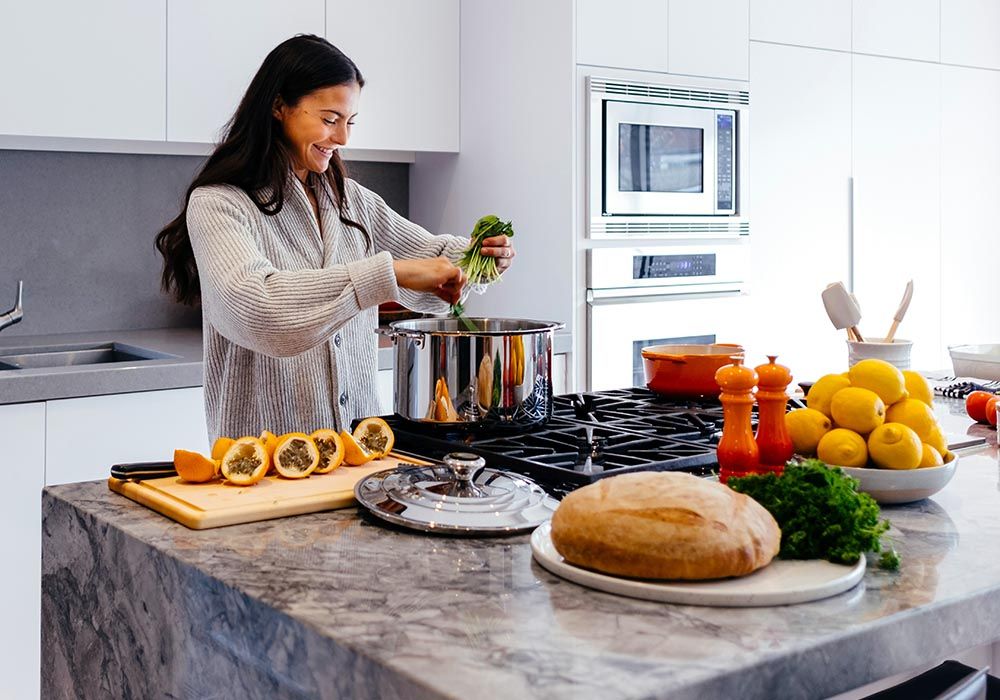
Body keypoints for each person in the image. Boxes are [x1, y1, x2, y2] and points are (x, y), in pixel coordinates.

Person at [155, 35, 515, 441]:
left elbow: (430, 259)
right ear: (278, 107)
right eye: (329, 119)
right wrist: (386, 274)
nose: (343, 138)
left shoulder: (352, 201)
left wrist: (478, 258)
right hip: (264, 463)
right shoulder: (220, 204)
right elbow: (259, 308)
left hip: (362, 453)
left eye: (350, 122)